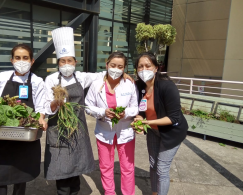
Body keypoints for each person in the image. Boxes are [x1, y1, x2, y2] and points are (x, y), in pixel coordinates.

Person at [44, 27, 133, 195]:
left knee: (76, 165)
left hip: (77, 128)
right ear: (58, 63)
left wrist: (123, 75)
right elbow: (46, 107)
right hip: (58, 128)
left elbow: (103, 74)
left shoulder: (82, 77)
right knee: (61, 167)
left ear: (75, 62)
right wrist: (56, 103)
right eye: (63, 61)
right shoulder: (50, 79)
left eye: (70, 61)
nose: (66, 65)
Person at [0, 44, 47, 195]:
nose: (21, 61)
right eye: (18, 58)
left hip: (24, 134)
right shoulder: (2, 77)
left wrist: (41, 118)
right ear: (12, 60)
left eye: (25, 58)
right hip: (1, 134)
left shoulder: (37, 81)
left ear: (32, 61)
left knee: (21, 175)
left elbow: (41, 107)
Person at [131, 52, 188, 195]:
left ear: (156, 68)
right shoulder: (139, 86)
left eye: (148, 66)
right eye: (140, 67)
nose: (144, 69)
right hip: (153, 131)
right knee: (153, 163)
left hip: (171, 132)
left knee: (162, 168)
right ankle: (155, 192)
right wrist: (139, 120)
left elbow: (174, 117)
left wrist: (146, 122)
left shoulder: (167, 86)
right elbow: (141, 109)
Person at [85, 52, 138, 195]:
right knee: (105, 166)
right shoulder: (97, 85)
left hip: (125, 132)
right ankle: (109, 192)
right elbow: (88, 106)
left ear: (124, 69)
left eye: (120, 66)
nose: (116, 69)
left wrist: (125, 113)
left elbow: (135, 107)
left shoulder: (129, 84)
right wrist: (102, 112)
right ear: (107, 65)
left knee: (127, 167)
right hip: (104, 132)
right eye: (113, 65)